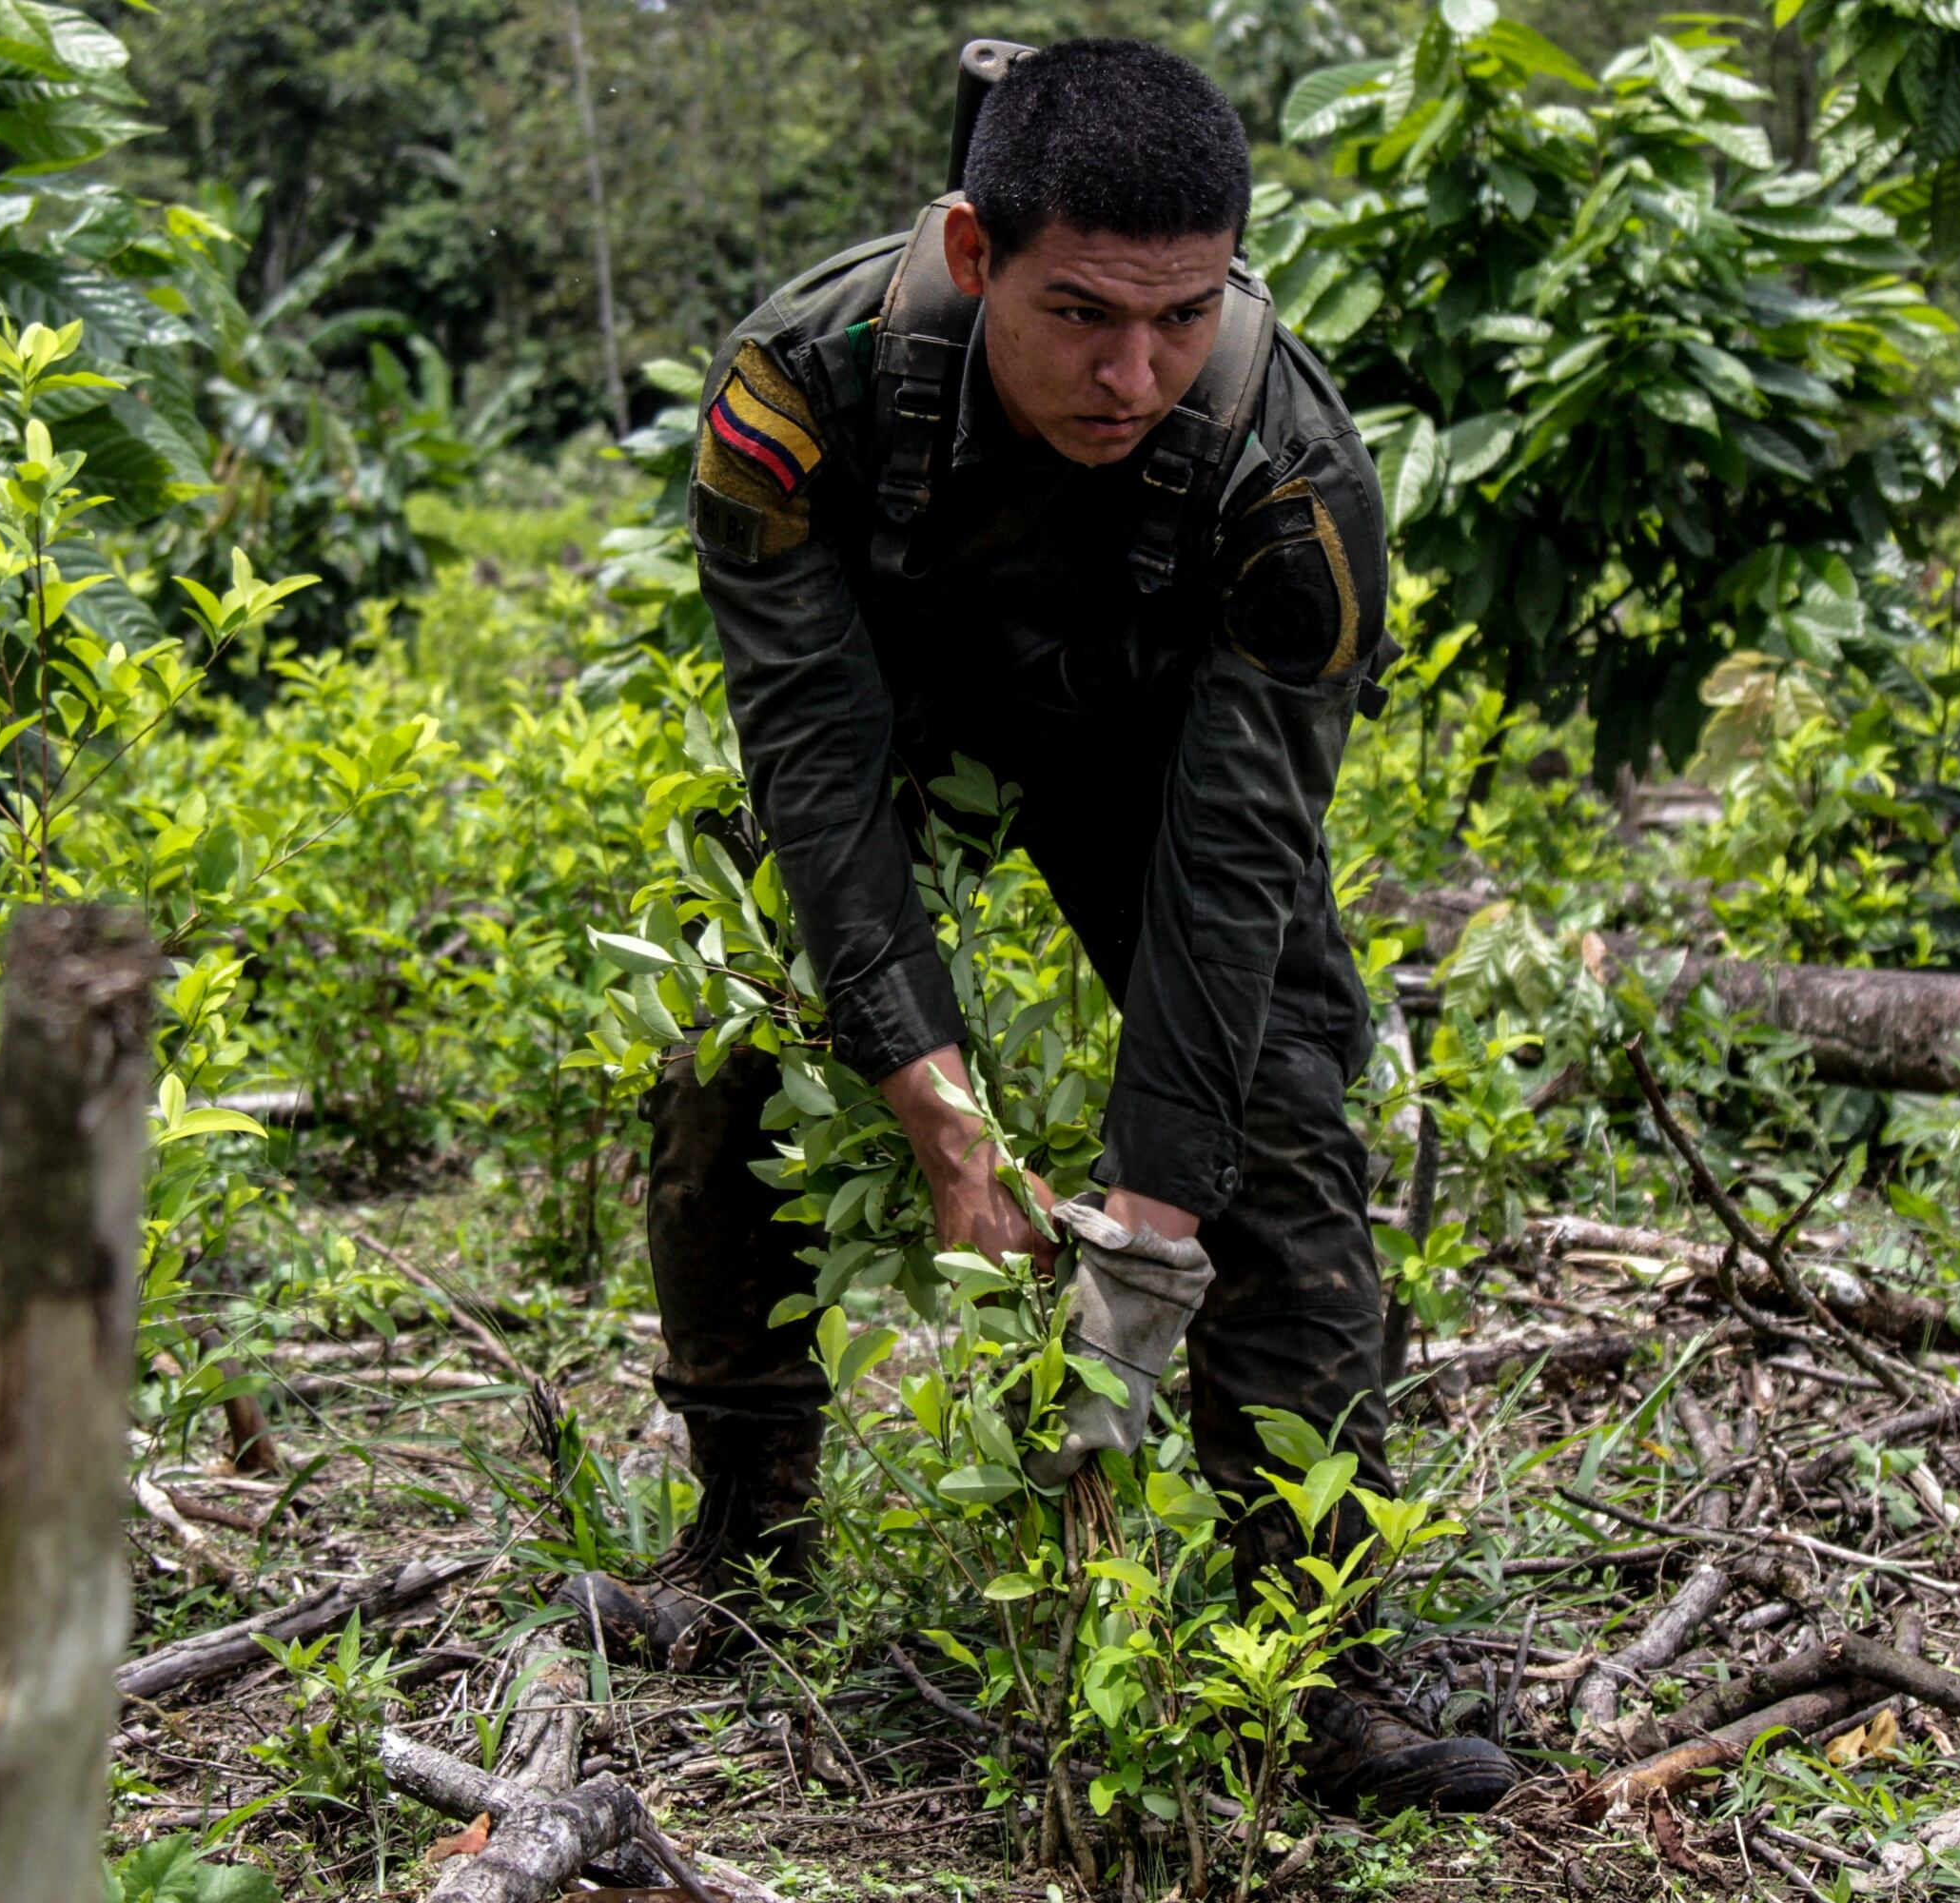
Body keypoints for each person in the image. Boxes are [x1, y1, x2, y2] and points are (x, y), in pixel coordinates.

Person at [560, 38, 1518, 1815]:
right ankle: (747, 1553)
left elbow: (1235, 878)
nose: (1135, 372)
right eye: (1084, 314)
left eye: (1183, 315)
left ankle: (1323, 1657)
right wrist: (928, 1090)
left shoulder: (1296, 475)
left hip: (1155, 747)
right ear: (976, 250)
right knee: (732, 1050)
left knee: (1281, 1110)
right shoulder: (799, 388)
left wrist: (1148, 1225)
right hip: (895, 715)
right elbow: (814, 769)